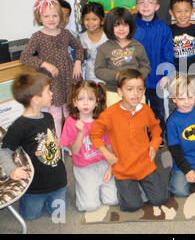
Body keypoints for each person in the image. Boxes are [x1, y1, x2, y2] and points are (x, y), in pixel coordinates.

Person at [90, 69, 170, 212]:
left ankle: (144, 185)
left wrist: (154, 145)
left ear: (144, 90)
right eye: (130, 89)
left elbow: (156, 128)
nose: (135, 94)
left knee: (161, 199)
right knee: (132, 205)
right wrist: (107, 154)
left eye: (140, 89)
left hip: (145, 165)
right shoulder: (110, 113)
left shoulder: (145, 110)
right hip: (123, 168)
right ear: (120, 92)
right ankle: (135, 188)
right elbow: (94, 134)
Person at [1, 72, 67, 220]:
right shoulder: (20, 125)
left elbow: (53, 143)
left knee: (58, 213)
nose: (52, 93)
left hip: (58, 181)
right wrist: (12, 170)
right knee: (31, 216)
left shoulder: (49, 117)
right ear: (36, 100)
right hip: (35, 186)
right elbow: (4, 150)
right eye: (48, 91)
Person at [20, 0, 84, 139]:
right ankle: (58, 145)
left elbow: (78, 47)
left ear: (60, 16)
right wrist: (44, 64)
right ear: (40, 17)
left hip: (68, 78)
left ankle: (71, 141)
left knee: (70, 112)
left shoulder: (66, 33)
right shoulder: (37, 37)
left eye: (54, 15)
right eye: (46, 16)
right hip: (51, 81)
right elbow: (24, 57)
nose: (51, 19)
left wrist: (78, 62)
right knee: (55, 114)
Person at [60, 81, 118, 212]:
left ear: (97, 102)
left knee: (112, 200)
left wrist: (111, 167)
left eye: (90, 99)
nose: (85, 103)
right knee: (89, 206)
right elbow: (74, 151)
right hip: (84, 167)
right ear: (74, 102)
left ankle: (98, 187)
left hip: (103, 163)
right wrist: (80, 133)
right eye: (81, 99)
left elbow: (109, 146)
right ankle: (88, 188)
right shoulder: (70, 122)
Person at [133, 0, 175, 140]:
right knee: (136, 109)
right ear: (136, 6)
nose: (145, 6)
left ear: (157, 7)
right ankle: (138, 137)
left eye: (150, 2)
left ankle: (158, 136)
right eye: (142, 2)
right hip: (135, 79)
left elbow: (168, 52)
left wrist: (167, 74)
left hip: (157, 79)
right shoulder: (131, 26)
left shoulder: (163, 28)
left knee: (157, 110)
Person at [94, 7, 151, 107]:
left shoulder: (138, 46)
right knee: (116, 121)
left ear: (131, 26)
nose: (121, 29)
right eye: (116, 25)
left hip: (136, 93)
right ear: (110, 27)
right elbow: (99, 70)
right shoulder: (104, 48)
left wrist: (135, 78)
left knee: (138, 120)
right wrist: (116, 75)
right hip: (113, 92)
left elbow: (146, 66)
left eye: (125, 25)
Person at [168, 0, 195, 113]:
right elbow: (167, 52)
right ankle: (176, 128)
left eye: (186, 11)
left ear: (192, 11)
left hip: (194, 72)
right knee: (175, 102)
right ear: (171, 12)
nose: (183, 15)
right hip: (176, 73)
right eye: (178, 11)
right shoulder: (169, 30)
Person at [79, 2, 108, 83]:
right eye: (87, 19)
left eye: (94, 19)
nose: (90, 23)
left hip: (107, 80)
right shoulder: (82, 38)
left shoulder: (108, 37)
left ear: (102, 21)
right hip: (89, 79)